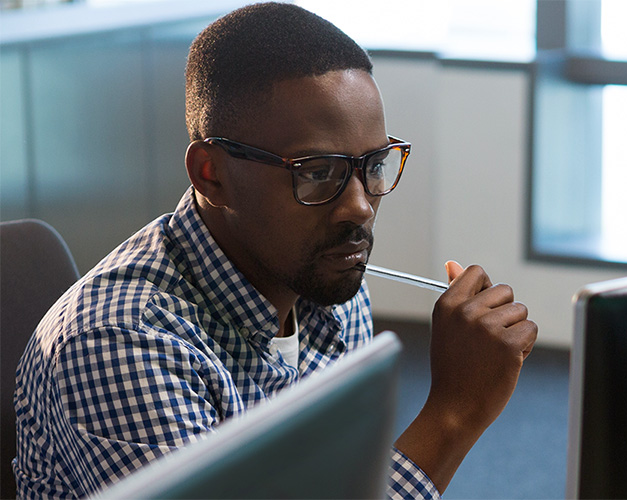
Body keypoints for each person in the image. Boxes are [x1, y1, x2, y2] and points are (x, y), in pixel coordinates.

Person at [12, 3, 538, 498]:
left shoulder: (326, 280)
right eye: (316, 172)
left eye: (373, 164)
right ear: (211, 175)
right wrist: (452, 414)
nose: (358, 208)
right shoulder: (121, 342)